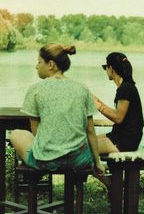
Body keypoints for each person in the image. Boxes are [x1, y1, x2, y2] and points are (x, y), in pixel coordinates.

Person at [10, 43, 105, 177]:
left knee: (16, 134)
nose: (36, 66)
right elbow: (90, 130)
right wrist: (97, 162)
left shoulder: (35, 90)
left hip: (47, 162)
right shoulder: (82, 89)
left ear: (50, 65)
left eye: (39, 62)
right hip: (78, 161)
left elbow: (36, 132)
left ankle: (37, 173)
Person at [93, 52, 143, 154]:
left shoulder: (126, 88)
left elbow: (118, 118)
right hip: (120, 135)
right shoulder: (124, 87)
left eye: (105, 67)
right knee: (88, 141)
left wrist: (98, 106)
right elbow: (119, 113)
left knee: (87, 148)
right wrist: (97, 100)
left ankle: (98, 169)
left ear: (111, 68)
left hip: (126, 140)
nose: (105, 70)